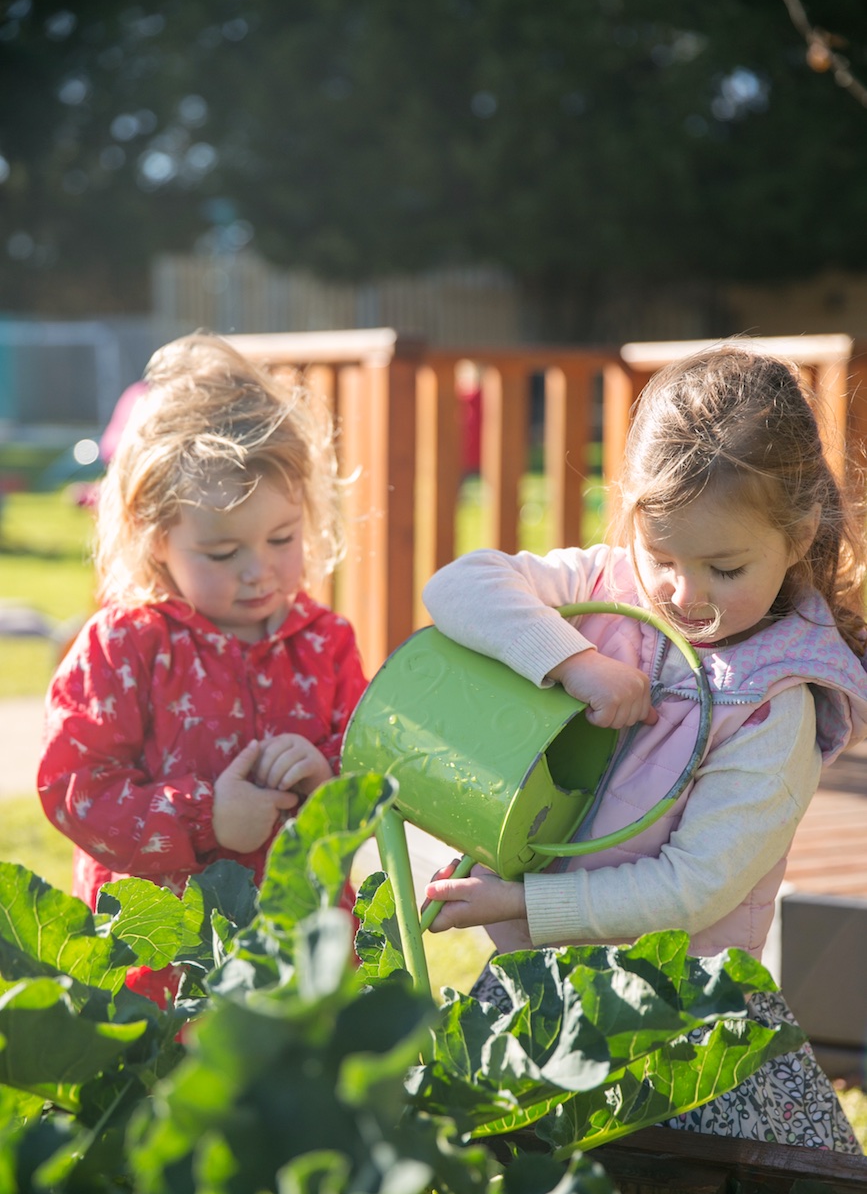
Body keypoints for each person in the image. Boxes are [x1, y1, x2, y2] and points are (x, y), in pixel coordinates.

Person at [422, 344, 867, 1152]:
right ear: (632, 516)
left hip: (676, 1013)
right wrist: (572, 660)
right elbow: (455, 586)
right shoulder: (604, 590)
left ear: (798, 534)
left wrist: (526, 907)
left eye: (724, 568)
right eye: (662, 557)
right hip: (550, 981)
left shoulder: (775, 703)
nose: (684, 595)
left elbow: (691, 890)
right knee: (495, 1185)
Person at [39, 332, 367, 1002]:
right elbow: (76, 790)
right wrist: (206, 817)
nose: (258, 570)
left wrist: (326, 769)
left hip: (298, 938)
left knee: (296, 1092)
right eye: (220, 552)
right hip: (161, 958)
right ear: (156, 536)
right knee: (167, 1097)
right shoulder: (125, 645)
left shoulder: (325, 639)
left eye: (282, 539)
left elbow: (369, 757)